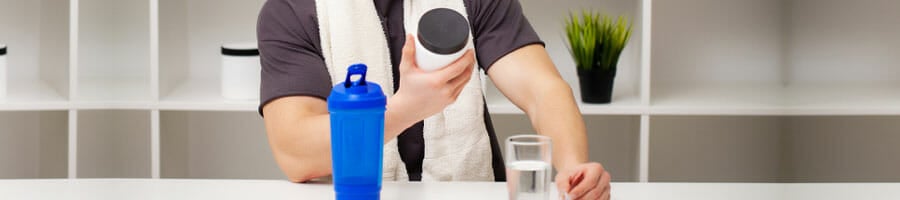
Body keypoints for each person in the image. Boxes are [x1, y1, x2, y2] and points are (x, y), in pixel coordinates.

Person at [257, 0, 611, 199]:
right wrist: (406, 109)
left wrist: (573, 169)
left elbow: (544, 90)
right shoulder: (290, 10)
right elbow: (296, 152)